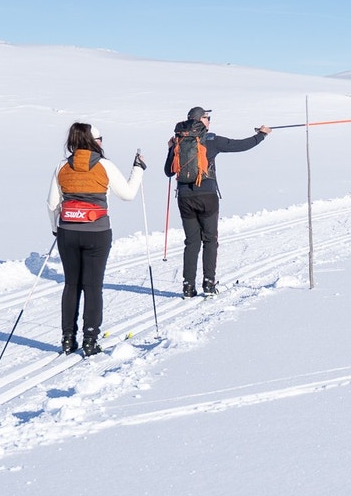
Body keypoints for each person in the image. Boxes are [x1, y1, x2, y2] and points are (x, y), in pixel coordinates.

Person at [47, 122, 146, 356]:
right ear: (94, 141)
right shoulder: (104, 165)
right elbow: (128, 195)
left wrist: (56, 229)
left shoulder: (62, 166)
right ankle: (90, 339)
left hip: (67, 232)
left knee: (72, 284)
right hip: (97, 232)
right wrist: (138, 169)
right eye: (100, 139)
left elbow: (52, 203)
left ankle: (68, 339)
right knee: (93, 286)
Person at [164, 107, 271, 297]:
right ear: (200, 120)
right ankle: (209, 283)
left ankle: (188, 286)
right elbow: (239, 145)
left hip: (184, 197)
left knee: (191, 242)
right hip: (207, 196)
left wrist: (171, 149)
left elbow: (169, 172)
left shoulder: (178, 139)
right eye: (207, 117)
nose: (209, 121)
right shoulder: (211, 139)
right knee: (210, 240)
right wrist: (261, 135)